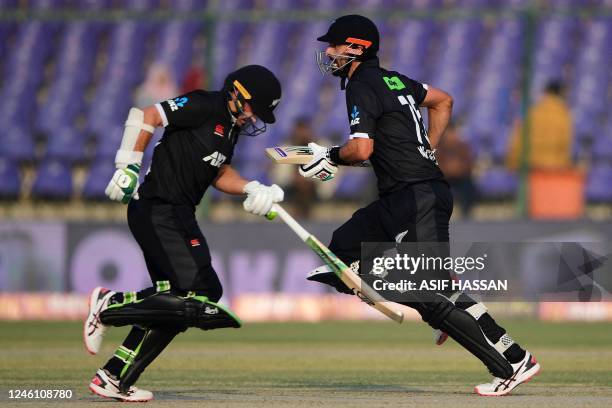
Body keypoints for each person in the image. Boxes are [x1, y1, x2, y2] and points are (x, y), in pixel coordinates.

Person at [303, 15, 539, 396]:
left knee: (429, 291)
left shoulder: (361, 84)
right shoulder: (396, 79)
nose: (328, 52)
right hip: (403, 196)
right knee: (341, 253)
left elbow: (361, 149)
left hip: (417, 196)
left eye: (334, 45)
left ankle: (511, 362)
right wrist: (427, 146)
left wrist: (330, 155)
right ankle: (435, 304)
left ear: (356, 48)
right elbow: (443, 100)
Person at [83, 65, 284, 402]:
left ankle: (114, 376)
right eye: (253, 110)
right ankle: (109, 306)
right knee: (192, 293)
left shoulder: (230, 130)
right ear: (237, 93)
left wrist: (251, 188)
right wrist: (128, 164)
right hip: (156, 208)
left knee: (198, 294)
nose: (253, 119)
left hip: (180, 214)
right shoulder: (203, 104)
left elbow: (218, 173)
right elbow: (147, 115)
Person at [506, 80, 573, 171]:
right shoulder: (563, 115)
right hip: (552, 168)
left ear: (545, 92)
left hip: (528, 166)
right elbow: (565, 144)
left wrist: (512, 164)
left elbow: (516, 141)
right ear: (562, 95)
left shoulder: (533, 111)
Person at [436, 122, 478, 217]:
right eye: (447, 132)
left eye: (452, 131)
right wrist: (447, 170)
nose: (450, 135)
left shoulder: (462, 146)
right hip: (444, 176)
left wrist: (459, 169)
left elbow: (468, 163)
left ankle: (466, 213)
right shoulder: (439, 146)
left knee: (468, 186)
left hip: (460, 176)